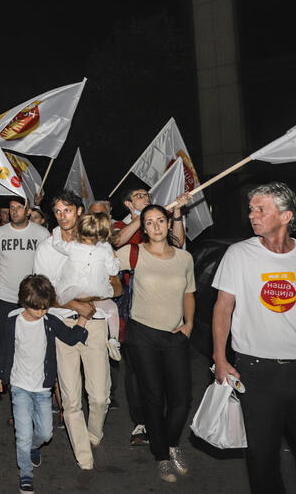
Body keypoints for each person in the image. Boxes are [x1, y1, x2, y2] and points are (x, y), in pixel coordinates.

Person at [212, 182, 296, 494]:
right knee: (262, 458)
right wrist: (220, 358)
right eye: (251, 209)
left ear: (286, 216)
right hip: (256, 372)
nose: (252, 215)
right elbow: (223, 308)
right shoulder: (238, 254)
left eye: (261, 209)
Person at [32, 189, 119, 479]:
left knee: (100, 396)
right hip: (62, 325)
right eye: (57, 212)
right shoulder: (47, 248)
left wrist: (89, 300)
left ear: (80, 211)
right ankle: (84, 459)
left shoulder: (99, 243)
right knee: (70, 399)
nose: (62, 216)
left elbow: (117, 285)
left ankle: (93, 437)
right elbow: (41, 293)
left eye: (67, 210)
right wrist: (74, 304)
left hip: (95, 322)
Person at [116, 205, 195, 483]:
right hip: (142, 335)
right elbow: (103, 257)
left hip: (175, 335)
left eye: (160, 220)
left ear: (168, 223)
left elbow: (188, 292)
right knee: (153, 397)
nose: (156, 227)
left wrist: (189, 324)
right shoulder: (133, 253)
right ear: (144, 228)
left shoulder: (184, 257)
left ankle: (171, 443)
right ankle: (161, 456)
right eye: (149, 222)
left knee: (182, 399)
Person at [8, 274, 89, 494]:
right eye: (37, 308)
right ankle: (25, 474)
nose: (41, 312)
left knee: (45, 433)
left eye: (45, 308)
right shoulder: (13, 321)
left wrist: (83, 318)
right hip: (20, 386)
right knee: (23, 435)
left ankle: (33, 447)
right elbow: (6, 352)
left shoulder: (49, 321)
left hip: (43, 388)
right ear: (25, 302)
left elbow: (70, 338)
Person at [0, 197, 49, 398]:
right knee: (7, 344)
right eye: (12, 208)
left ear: (29, 211)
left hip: (33, 300)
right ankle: (8, 384)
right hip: (6, 297)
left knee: (33, 345)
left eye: (19, 208)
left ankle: (33, 386)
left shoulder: (41, 234)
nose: (14, 211)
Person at [49, 213, 119, 351]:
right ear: (100, 233)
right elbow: (113, 270)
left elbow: (57, 244)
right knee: (112, 308)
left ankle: (79, 331)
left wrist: (57, 230)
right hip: (96, 290)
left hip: (71, 291)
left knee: (57, 295)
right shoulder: (105, 249)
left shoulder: (73, 246)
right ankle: (114, 339)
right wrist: (116, 259)